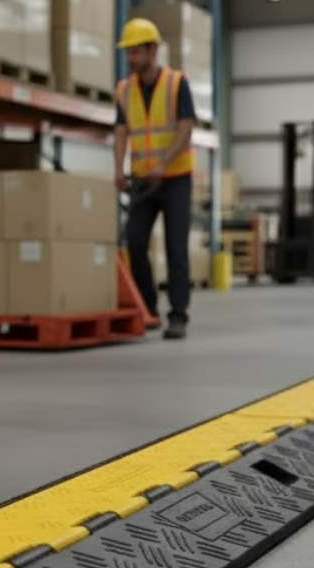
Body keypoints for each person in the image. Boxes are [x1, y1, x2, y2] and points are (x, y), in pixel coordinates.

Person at [113, 17, 197, 341]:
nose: (131, 59)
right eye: (128, 53)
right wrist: (118, 169)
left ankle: (178, 317)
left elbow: (185, 128)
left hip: (175, 178)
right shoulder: (124, 89)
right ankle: (148, 309)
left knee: (176, 249)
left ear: (152, 50)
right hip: (142, 181)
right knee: (134, 241)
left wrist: (163, 163)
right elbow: (121, 131)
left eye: (135, 52)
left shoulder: (177, 83)